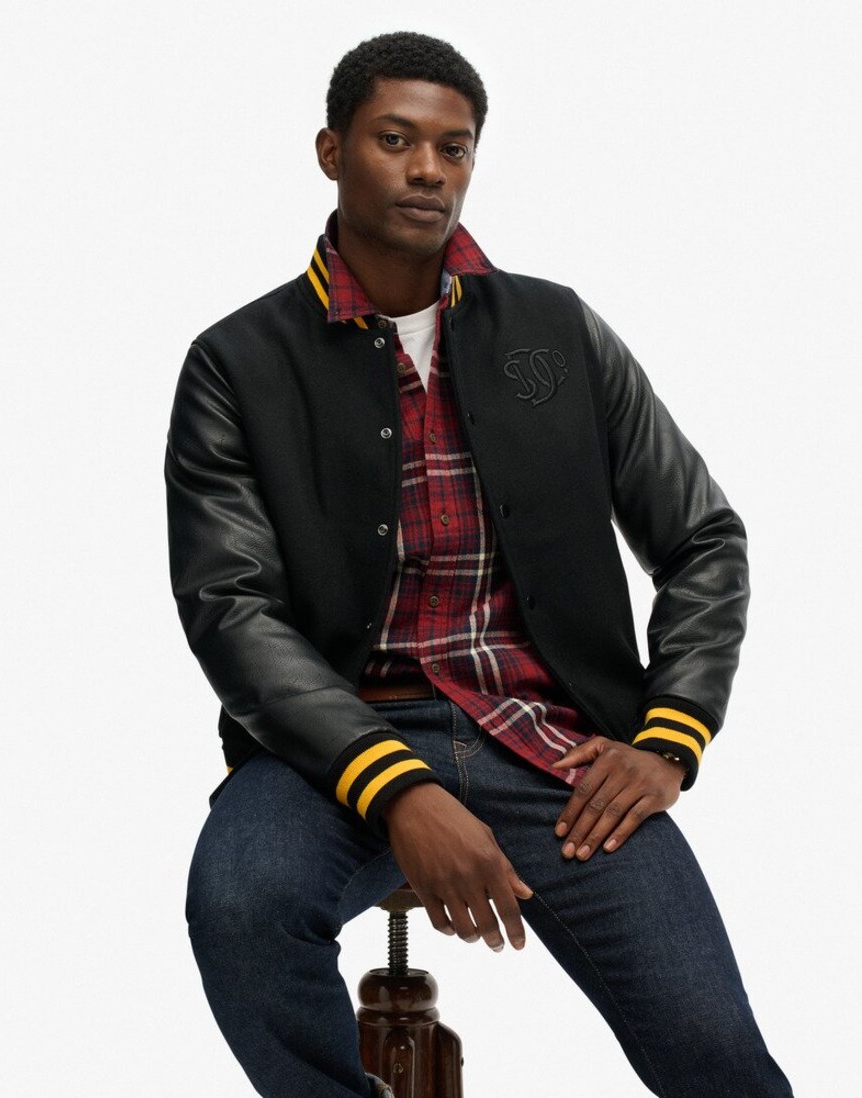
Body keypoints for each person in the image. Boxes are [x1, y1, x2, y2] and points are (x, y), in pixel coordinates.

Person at [165, 31, 793, 1098]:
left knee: (717, 1055)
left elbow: (703, 539)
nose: (427, 169)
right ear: (331, 151)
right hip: (330, 748)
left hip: (552, 745)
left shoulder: (557, 330)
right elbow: (231, 607)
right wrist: (394, 785)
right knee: (240, 904)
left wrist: (669, 738)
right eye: (395, 140)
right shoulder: (239, 361)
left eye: (452, 148)